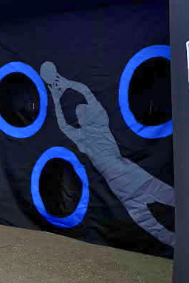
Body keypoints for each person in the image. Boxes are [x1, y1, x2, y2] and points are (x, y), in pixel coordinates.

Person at [40, 61, 176, 247]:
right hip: (120, 184)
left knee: (169, 201)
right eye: (78, 113)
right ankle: (185, 245)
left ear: (90, 114)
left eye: (82, 111)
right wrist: (55, 98)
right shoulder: (83, 138)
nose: (79, 113)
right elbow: (64, 125)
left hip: (129, 176)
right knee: (148, 222)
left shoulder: (100, 124)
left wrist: (65, 83)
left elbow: (86, 92)